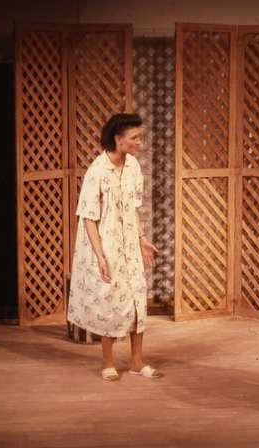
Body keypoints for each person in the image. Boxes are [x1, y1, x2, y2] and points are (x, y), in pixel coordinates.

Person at [67, 113, 162, 381]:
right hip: (106, 244)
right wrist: (99, 256)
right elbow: (88, 217)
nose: (139, 142)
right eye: (134, 138)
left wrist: (142, 239)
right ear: (118, 139)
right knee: (110, 299)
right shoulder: (97, 171)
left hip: (130, 243)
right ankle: (108, 362)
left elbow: (133, 208)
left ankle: (136, 361)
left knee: (136, 299)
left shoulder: (133, 166)